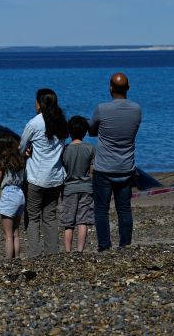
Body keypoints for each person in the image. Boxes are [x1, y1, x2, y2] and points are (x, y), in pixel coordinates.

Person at [88, 72, 141, 251]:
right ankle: (125, 244)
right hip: (126, 166)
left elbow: (91, 130)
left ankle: (104, 245)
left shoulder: (102, 109)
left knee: (101, 209)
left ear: (110, 87)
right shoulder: (136, 109)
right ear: (128, 87)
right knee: (124, 208)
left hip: (104, 168)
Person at [19, 88, 68, 257]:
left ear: (39, 103)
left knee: (32, 218)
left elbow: (21, 146)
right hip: (55, 177)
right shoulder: (61, 122)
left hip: (36, 178)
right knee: (50, 217)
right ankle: (52, 254)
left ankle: (34, 255)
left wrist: (26, 152)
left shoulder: (34, 123)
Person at [60, 116, 95, 252]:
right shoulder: (90, 148)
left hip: (69, 188)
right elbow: (92, 171)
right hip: (86, 187)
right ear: (85, 131)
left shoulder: (65, 149)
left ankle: (68, 251)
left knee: (68, 222)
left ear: (69, 131)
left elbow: (63, 168)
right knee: (83, 220)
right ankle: (80, 250)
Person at [0, 134, 26, 259]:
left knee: (8, 235)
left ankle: (8, 262)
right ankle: (16, 259)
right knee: (16, 233)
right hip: (20, 195)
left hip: (9, 195)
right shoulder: (21, 160)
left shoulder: (3, 162)